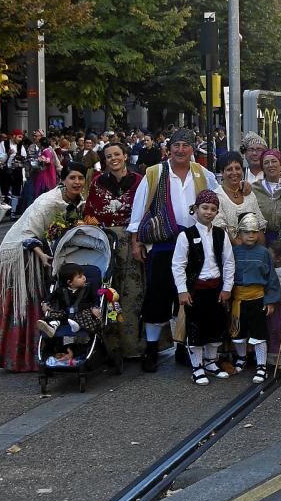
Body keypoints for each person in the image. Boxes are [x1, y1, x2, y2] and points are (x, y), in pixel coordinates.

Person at [128, 127, 219, 373]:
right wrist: (136, 242)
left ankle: (184, 346)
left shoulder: (204, 174)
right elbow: (139, 209)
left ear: (192, 149)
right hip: (163, 245)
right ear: (169, 148)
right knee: (158, 296)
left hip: (193, 245)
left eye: (185, 146)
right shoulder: (154, 173)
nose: (180, 150)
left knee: (190, 297)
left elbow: (216, 203)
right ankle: (151, 349)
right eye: (176, 145)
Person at [0, 162, 88, 371]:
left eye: (80, 178)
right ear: (63, 180)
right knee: (29, 303)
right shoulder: (48, 202)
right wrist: (42, 255)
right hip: (22, 252)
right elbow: (28, 234)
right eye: (72, 178)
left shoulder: (79, 201)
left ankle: (43, 352)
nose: (77, 182)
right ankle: (23, 358)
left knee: (44, 300)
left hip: (45, 251)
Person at [82, 142, 145, 359]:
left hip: (131, 243)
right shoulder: (98, 183)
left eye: (117, 154)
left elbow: (146, 211)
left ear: (125, 156)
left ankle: (133, 346)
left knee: (132, 294)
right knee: (108, 293)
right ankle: (109, 346)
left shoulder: (139, 181)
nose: (113, 159)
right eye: (109, 156)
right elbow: (89, 213)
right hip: (106, 242)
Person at [172, 189, 235, 385]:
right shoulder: (186, 235)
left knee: (215, 326)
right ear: (196, 209)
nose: (208, 212)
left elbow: (228, 261)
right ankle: (197, 366)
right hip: (195, 290)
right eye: (204, 208)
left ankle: (210, 362)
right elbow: (178, 264)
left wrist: (227, 288)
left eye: (213, 209)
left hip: (216, 288)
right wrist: (182, 290)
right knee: (196, 328)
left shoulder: (220, 234)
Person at [229, 212, 281, 385]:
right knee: (238, 333)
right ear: (239, 233)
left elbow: (272, 278)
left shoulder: (264, 253)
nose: (250, 235)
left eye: (254, 232)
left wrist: (270, 300)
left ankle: (261, 365)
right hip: (238, 300)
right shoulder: (233, 252)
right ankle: (242, 358)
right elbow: (227, 275)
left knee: (259, 334)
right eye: (246, 232)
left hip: (258, 299)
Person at [36, 262, 102, 368]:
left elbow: (95, 299)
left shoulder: (88, 288)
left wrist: (95, 308)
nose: (84, 278)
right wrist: (45, 304)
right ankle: (52, 326)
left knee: (86, 314)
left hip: (82, 313)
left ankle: (77, 325)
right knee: (54, 314)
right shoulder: (61, 290)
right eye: (80, 277)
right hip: (66, 315)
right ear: (69, 282)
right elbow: (49, 298)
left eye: (83, 275)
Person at [212, 152, 264, 243]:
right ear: (222, 173)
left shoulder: (249, 194)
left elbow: (259, 224)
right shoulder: (216, 196)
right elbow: (220, 228)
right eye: (229, 169)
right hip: (227, 252)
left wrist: (260, 252)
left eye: (237, 168)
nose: (234, 172)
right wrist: (239, 248)